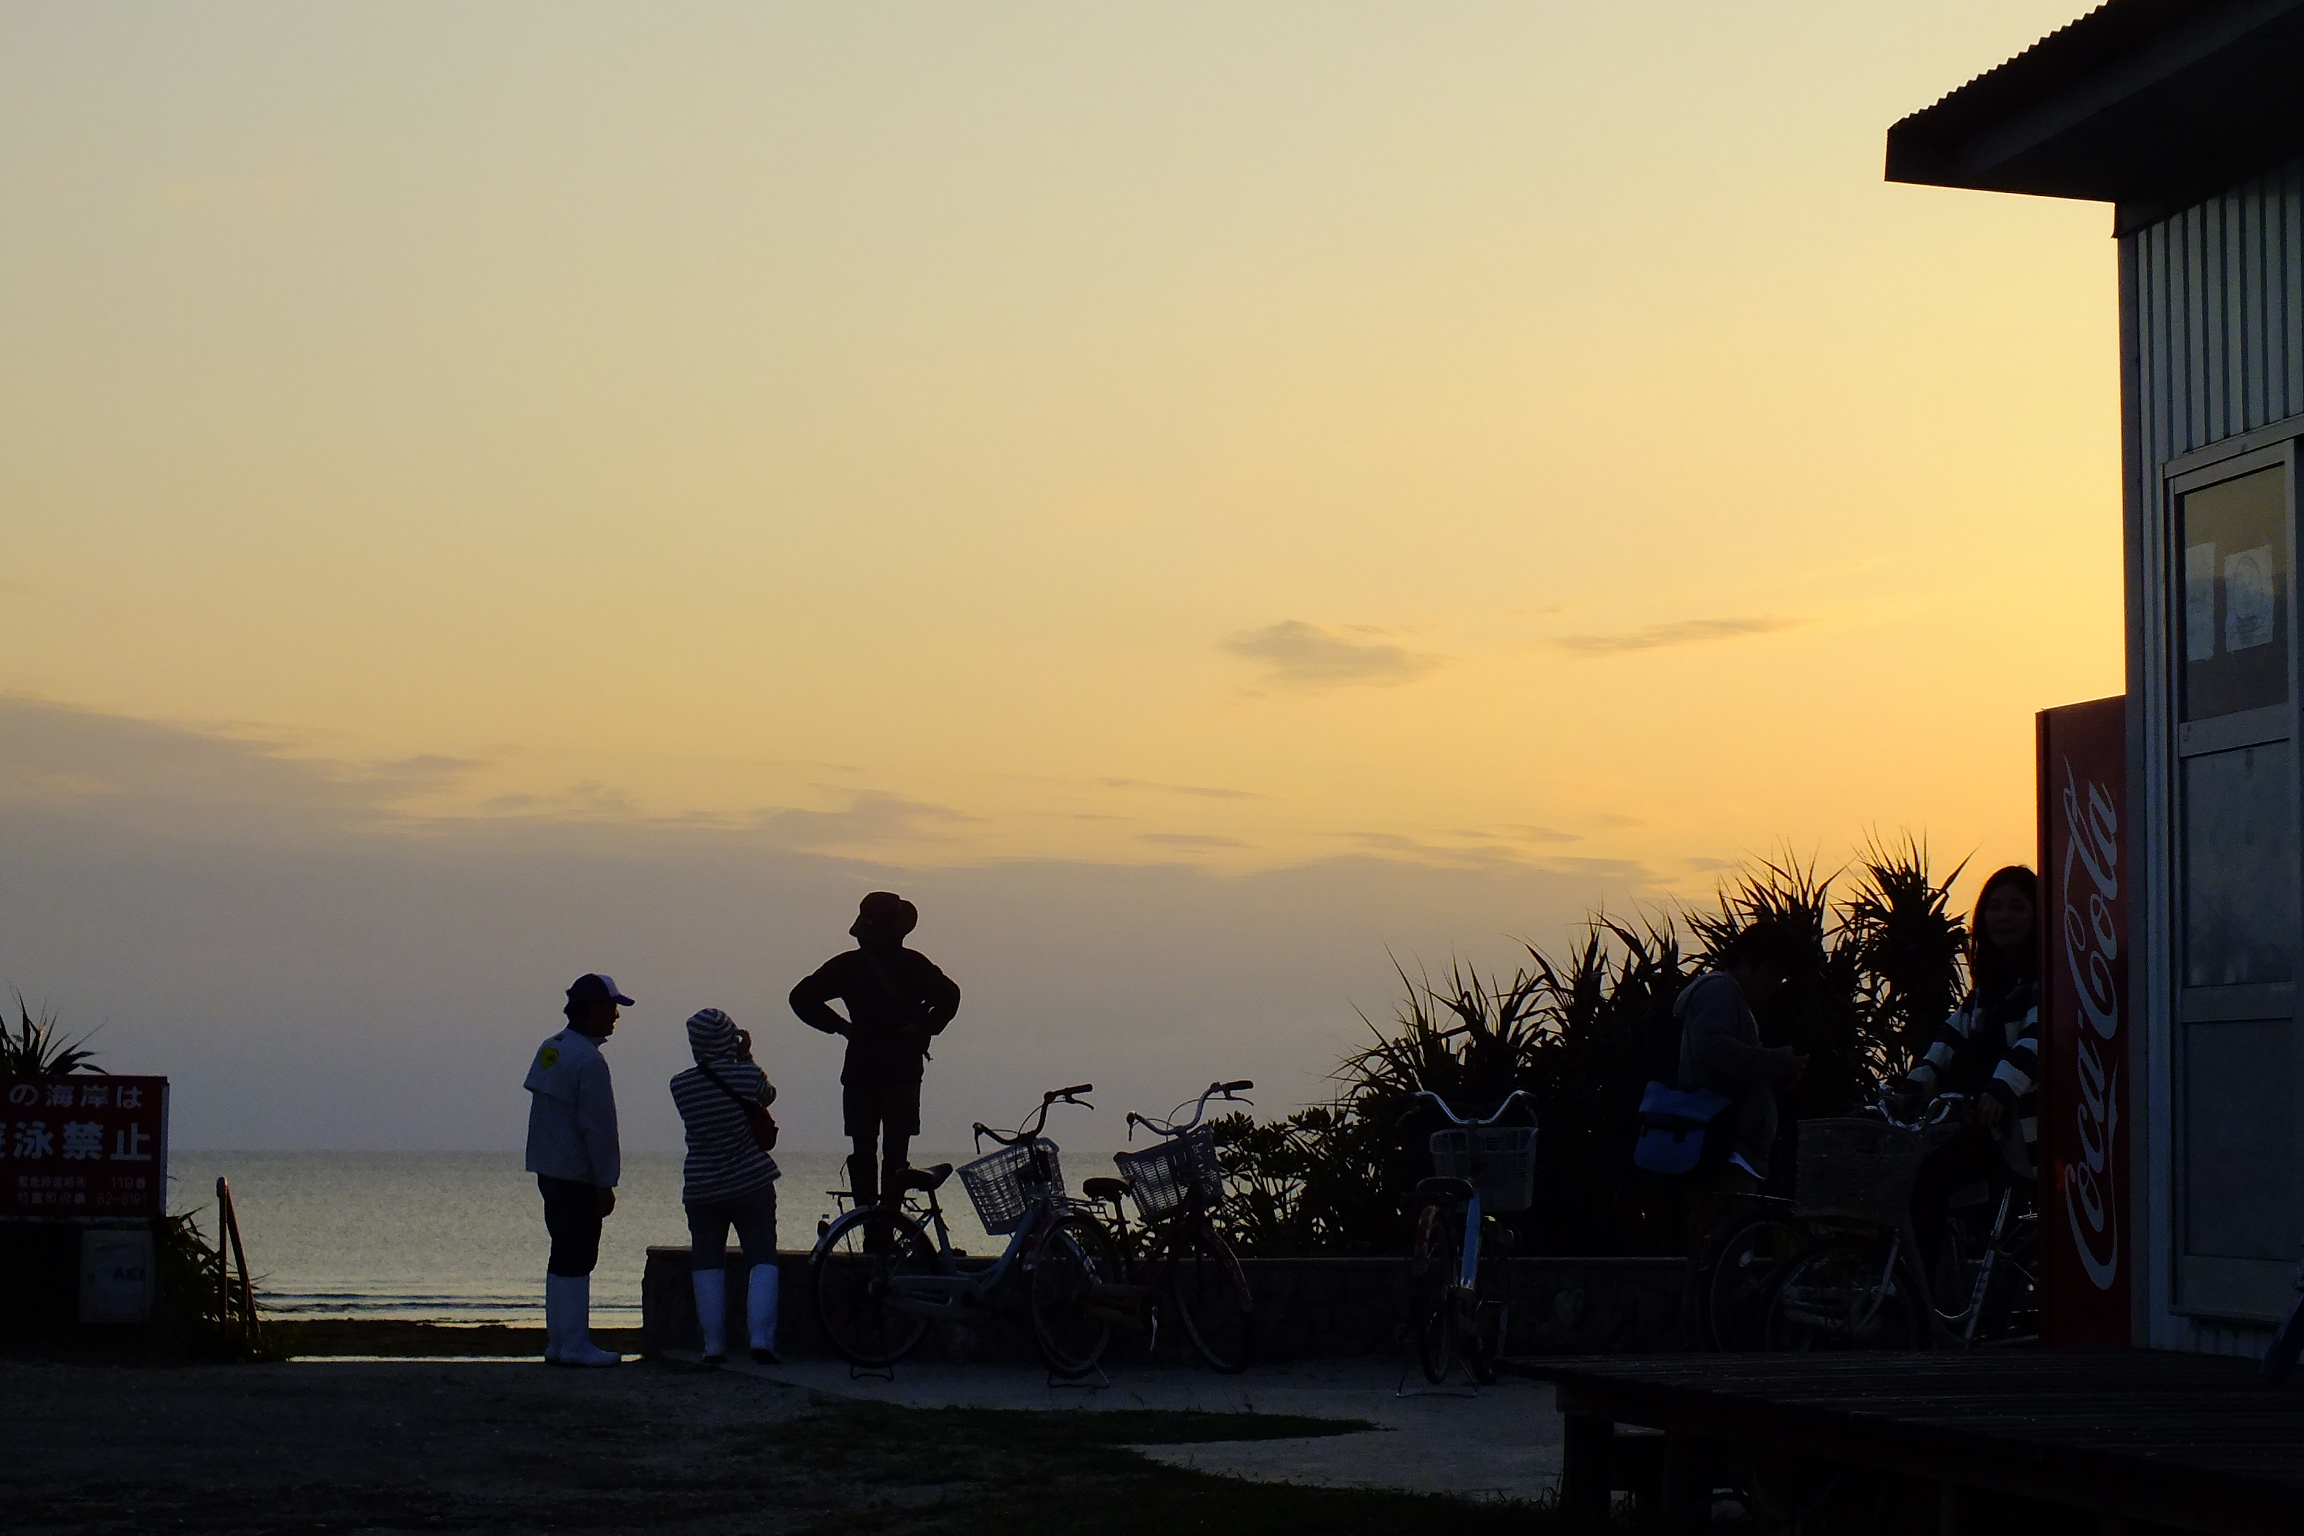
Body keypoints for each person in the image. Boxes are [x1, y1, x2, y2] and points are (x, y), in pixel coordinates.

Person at [1901, 865, 2040, 1279]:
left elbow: (2039, 1035)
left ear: (2039, 914)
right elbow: (1948, 1040)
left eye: (2017, 906)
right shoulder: (1985, 990)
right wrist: (1913, 1084)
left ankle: (1924, 1304)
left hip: (2028, 1134)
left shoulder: (2050, 978)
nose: (2004, 917)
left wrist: (2001, 1088)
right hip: (1988, 1127)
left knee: (1934, 1182)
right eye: (1995, 907)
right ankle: (1932, 1299)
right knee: (1930, 1183)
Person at [1674, 919, 1809, 1340]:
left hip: (1730, 1147)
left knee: (1717, 1253)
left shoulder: (1723, 995)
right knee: (1723, 1253)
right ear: (1752, 962)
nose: (1775, 985)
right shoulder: (1719, 993)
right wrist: (1774, 1061)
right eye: (1774, 973)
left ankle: (1704, 1340)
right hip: (1724, 1149)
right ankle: (1710, 1343)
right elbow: (1713, 1048)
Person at [789, 891, 961, 1210]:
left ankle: (868, 1221)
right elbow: (951, 996)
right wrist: (923, 1026)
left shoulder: (847, 966)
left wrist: (841, 1026)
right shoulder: (913, 964)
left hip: (861, 1065)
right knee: (896, 1154)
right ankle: (888, 1224)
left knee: (863, 1150)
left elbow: (800, 998)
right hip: (902, 1067)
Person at [524, 972, 631, 1368]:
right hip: (576, 1173)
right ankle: (573, 1341)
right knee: (579, 1253)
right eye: (612, 1007)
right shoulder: (589, 1060)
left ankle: (561, 1339)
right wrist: (606, 1181)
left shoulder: (551, 1048)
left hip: (549, 1169)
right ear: (593, 1009)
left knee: (563, 1251)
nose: (617, 1016)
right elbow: (598, 1127)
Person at [669, 1007, 782, 1366]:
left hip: (702, 1184)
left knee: (706, 1261)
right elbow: (768, 1094)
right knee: (762, 1256)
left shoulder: (681, 1085)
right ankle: (761, 1340)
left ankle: (713, 1345)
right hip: (750, 1179)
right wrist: (745, 1054)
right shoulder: (746, 1075)